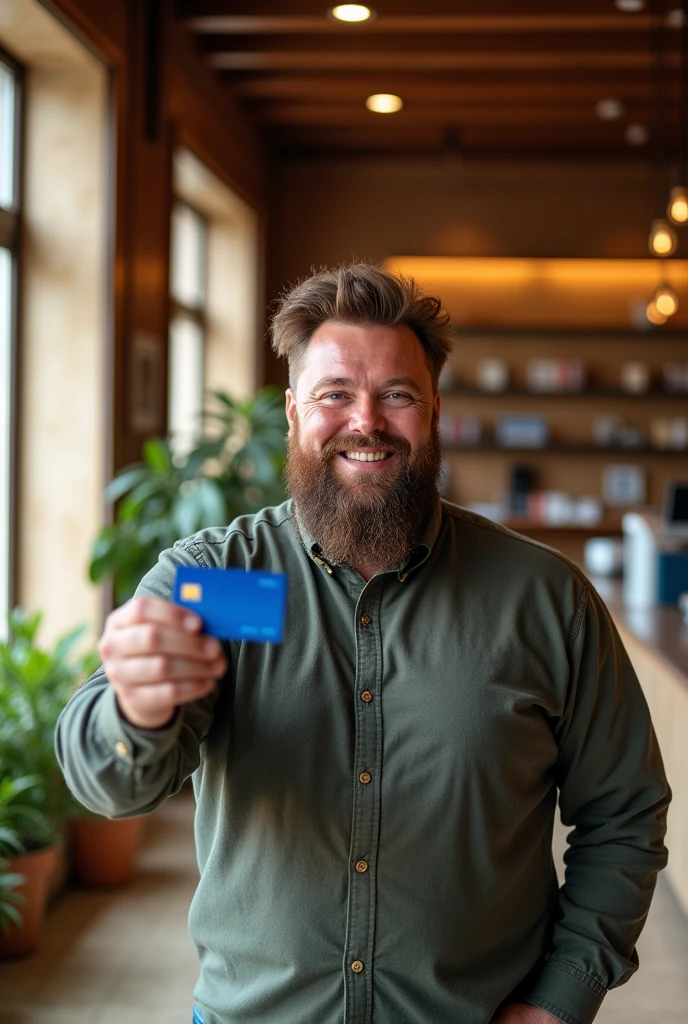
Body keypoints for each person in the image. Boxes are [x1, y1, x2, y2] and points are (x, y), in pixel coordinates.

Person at [56, 263, 670, 1024]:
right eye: (335, 394)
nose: (366, 421)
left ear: (435, 408)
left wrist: (560, 1000)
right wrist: (137, 712)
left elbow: (624, 812)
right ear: (292, 412)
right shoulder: (213, 578)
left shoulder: (544, 597)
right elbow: (104, 781)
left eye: (397, 394)